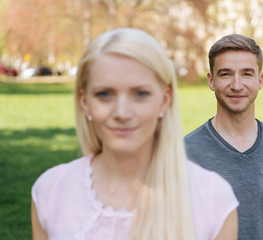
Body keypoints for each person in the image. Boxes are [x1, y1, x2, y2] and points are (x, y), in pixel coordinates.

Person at [31, 28, 239, 240]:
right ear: (85, 102)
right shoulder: (51, 191)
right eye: (104, 94)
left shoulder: (213, 199)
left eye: (140, 94)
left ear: (165, 100)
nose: (122, 113)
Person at [185, 34, 263, 240]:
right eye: (225, 74)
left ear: (259, 81)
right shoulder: (184, 151)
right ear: (211, 81)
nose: (237, 85)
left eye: (246, 74)